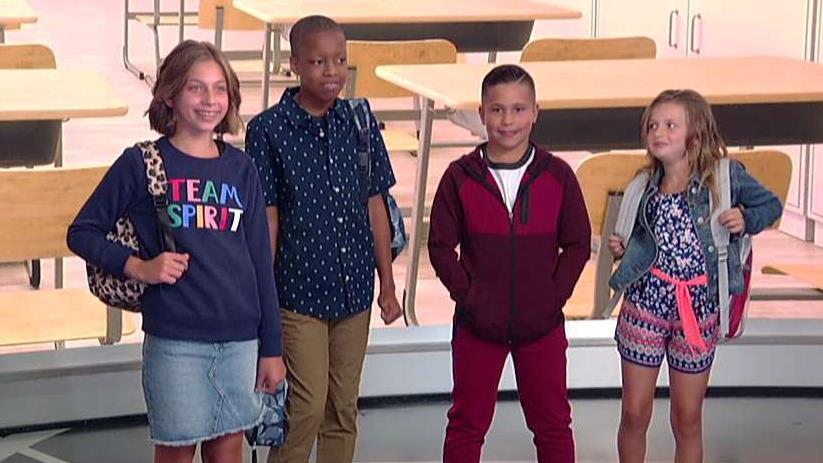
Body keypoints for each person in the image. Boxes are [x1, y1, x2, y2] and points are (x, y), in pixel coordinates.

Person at [67, 40, 285, 463]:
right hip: (175, 342)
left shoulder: (241, 168)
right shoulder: (141, 163)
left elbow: (261, 263)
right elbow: (82, 232)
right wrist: (138, 267)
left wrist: (271, 347)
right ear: (170, 94)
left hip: (240, 341)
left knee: (227, 452)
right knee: (176, 452)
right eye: (195, 88)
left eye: (219, 88)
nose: (209, 100)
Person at [244, 15, 402, 463]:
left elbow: (376, 204)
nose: (332, 71)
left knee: (342, 408)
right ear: (294, 63)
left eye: (340, 60)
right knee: (306, 407)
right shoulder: (268, 130)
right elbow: (268, 219)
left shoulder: (360, 122)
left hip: (355, 292)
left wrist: (388, 284)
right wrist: (263, 298)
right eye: (318, 61)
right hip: (297, 296)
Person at [608, 89, 783, 463]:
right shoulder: (644, 184)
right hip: (645, 306)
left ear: (697, 133)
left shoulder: (725, 176)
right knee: (634, 413)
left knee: (687, 418)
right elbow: (639, 240)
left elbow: (771, 205)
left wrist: (745, 218)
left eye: (671, 125)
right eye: (653, 125)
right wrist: (624, 249)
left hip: (698, 311)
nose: (658, 132)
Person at [428, 64, 591, 463]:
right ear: (481, 113)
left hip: (542, 326)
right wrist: (470, 296)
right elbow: (440, 247)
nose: (508, 120)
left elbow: (577, 244)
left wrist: (552, 297)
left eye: (519, 109)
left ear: (536, 112)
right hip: (477, 326)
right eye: (497, 109)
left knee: (553, 425)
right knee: (466, 424)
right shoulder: (459, 177)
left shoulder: (558, 176)